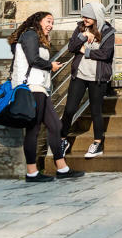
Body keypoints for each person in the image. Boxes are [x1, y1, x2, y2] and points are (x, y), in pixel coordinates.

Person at [8, 11, 84, 182]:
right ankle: (32, 172)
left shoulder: (36, 37)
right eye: (48, 21)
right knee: (33, 129)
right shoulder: (30, 34)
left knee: (55, 126)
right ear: (38, 21)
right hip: (31, 88)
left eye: (53, 23)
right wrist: (50, 65)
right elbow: (33, 59)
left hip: (40, 88)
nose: (51, 25)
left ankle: (62, 168)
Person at [60, 2, 115, 159]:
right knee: (69, 109)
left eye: (87, 16)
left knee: (96, 111)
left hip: (97, 78)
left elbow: (106, 54)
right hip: (80, 75)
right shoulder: (80, 28)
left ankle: (98, 143)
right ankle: (62, 140)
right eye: (83, 15)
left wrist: (86, 51)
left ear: (96, 16)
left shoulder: (108, 32)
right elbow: (71, 47)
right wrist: (82, 36)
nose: (84, 18)